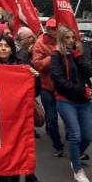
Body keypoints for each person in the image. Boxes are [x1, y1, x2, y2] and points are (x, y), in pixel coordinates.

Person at [0, 35, 43, 182]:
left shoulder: (22, 66)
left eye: (7, 45)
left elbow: (35, 93)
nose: (3, 48)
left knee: (16, 156)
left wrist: (35, 77)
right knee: (1, 159)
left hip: (18, 120)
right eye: (0, 45)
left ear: (12, 49)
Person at [50, 26, 92, 182]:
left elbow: (90, 71)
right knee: (75, 135)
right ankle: (78, 170)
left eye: (73, 38)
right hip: (66, 100)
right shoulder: (56, 56)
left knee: (88, 136)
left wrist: (78, 57)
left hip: (84, 101)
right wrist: (81, 90)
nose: (70, 41)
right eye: (67, 38)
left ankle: (75, 156)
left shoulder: (79, 53)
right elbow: (59, 80)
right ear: (61, 39)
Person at [32, 18, 64, 156]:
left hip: (64, 87)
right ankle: (58, 146)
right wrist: (54, 55)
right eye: (51, 28)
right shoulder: (40, 43)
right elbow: (38, 65)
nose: (54, 30)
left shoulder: (66, 40)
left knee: (70, 118)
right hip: (47, 86)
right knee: (51, 118)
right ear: (47, 29)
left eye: (56, 28)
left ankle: (74, 142)